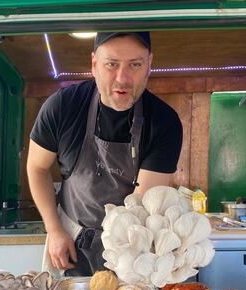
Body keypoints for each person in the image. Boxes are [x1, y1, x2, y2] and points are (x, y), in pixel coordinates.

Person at [27, 31, 182, 276]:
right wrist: (54, 228)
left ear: (149, 65)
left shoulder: (164, 122)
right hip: (69, 233)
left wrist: (124, 257)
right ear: (94, 64)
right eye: (111, 64)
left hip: (130, 241)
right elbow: (37, 167)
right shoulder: (62, 107)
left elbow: (143, 202)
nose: (123, 78)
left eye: (135, 64)